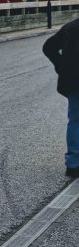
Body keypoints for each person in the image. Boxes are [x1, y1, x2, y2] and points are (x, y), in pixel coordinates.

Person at [42, 17, 79, 178]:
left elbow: (48, 47)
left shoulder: (70, 27)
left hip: (73, 82)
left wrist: (61, 66)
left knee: (75, 121)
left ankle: (73, 164)